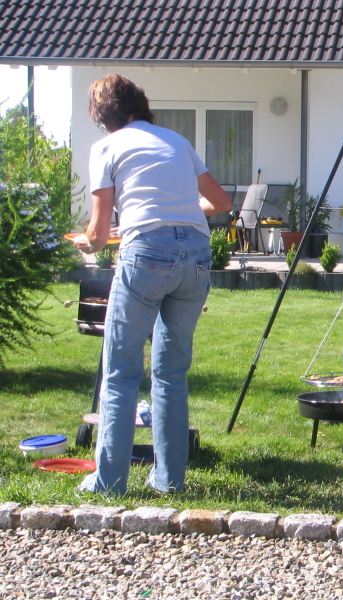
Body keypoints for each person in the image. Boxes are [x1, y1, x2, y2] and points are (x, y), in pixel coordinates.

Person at [73, 73, 231, 495]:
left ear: (104, 116)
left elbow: (100, 230)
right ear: (139, 105)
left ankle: (109, 483)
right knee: (171, 374)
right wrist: (179, 210)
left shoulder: (106, 146)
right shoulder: (176, 141)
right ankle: (169, 479)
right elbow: (221, 203)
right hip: (197, 254)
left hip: (147, 254)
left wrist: (85, 239)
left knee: (122, 373)